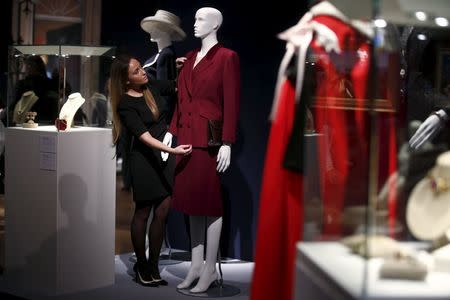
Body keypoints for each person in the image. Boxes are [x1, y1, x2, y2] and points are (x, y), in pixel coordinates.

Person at [165, 7, 240, 293]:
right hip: (185, 140)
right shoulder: (191, 59)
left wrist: (228, 142)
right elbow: (182, 101)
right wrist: (172, 132)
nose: (194, 23)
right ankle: (196, 265)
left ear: (216, 24)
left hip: (208, 143)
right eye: (194, 17)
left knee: (209, 204)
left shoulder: (227, 58)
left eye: (200, 19)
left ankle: (210, 267)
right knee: (191, 205)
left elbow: (231, 103)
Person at [110, 54, 192, 286]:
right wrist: (173, 150)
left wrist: (178, 69)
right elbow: (143, 137)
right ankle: (142, 266)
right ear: (127, 81)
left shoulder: (151, 84)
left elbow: (175, 87)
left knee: (164, 209)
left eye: (140, 67)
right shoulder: (125, 103)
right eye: (136, 71)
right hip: (145, 159)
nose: (143, 72)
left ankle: (153, 265)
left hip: (164, 155)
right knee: (143, 212)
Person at [141, 10, 186, 124]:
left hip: (156, 114)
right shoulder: (162, 54)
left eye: (156, 27)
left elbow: (165, 90)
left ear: (166, 31)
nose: (151, 30)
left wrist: (161, 119)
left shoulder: (166, 54)